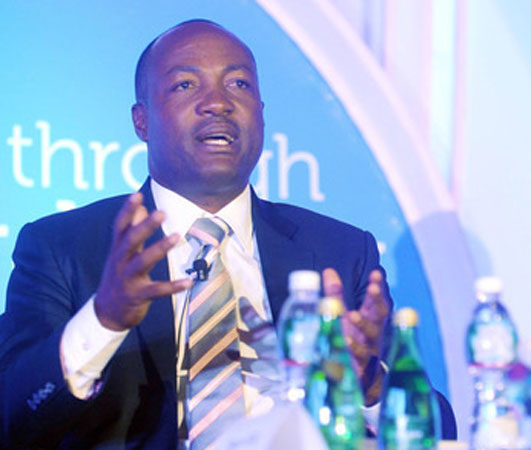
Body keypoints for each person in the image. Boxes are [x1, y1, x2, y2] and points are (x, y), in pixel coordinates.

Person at [0, 20, 455, 448]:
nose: (218, 102)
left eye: (238, 84)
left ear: (262, 115)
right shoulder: (62, 247)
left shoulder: (341, 252)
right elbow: (11, 414)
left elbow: (441, 429)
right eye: (185, 85)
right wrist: (103, 320)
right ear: (141, 121)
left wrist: (371, 384)